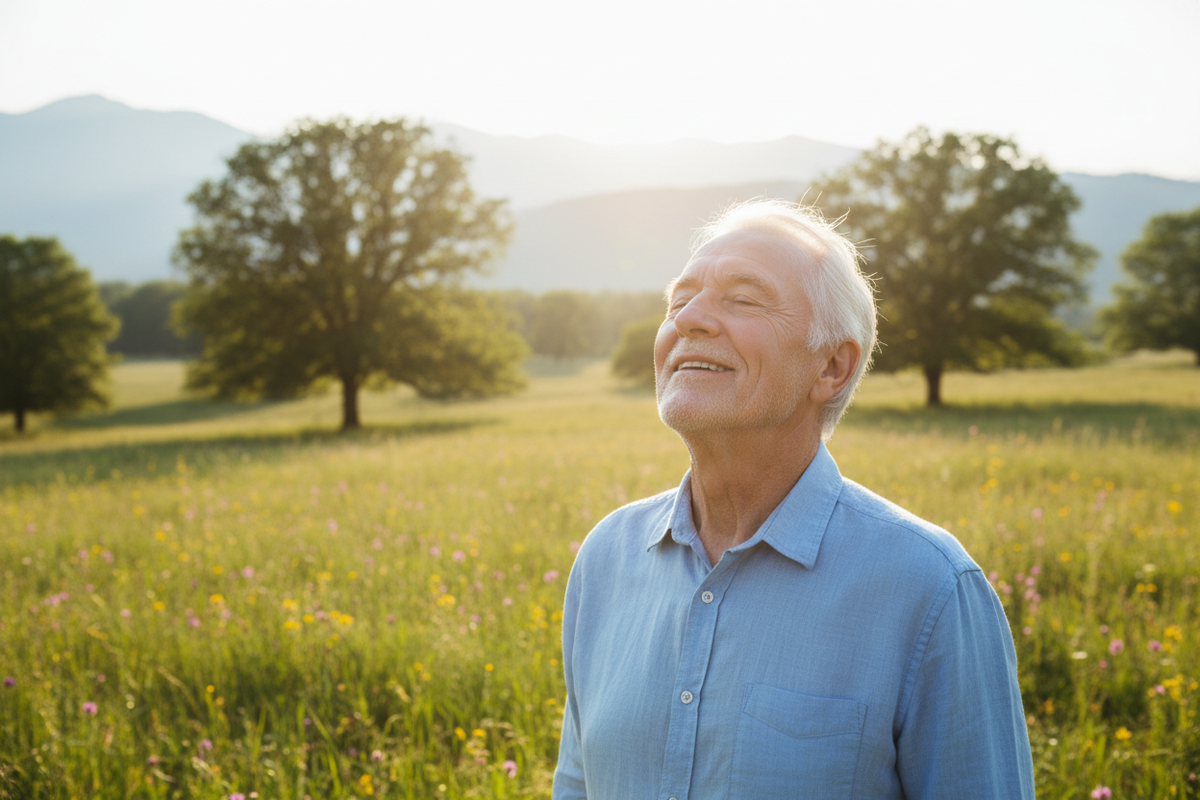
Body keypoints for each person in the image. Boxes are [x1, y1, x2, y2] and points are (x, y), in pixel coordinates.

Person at [551, 200, 1034, 799]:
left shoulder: (929, 587)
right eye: (679, 301)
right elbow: (576, 784)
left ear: (832, 367)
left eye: (743, 299)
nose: (690, 319)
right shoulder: (606, 557)